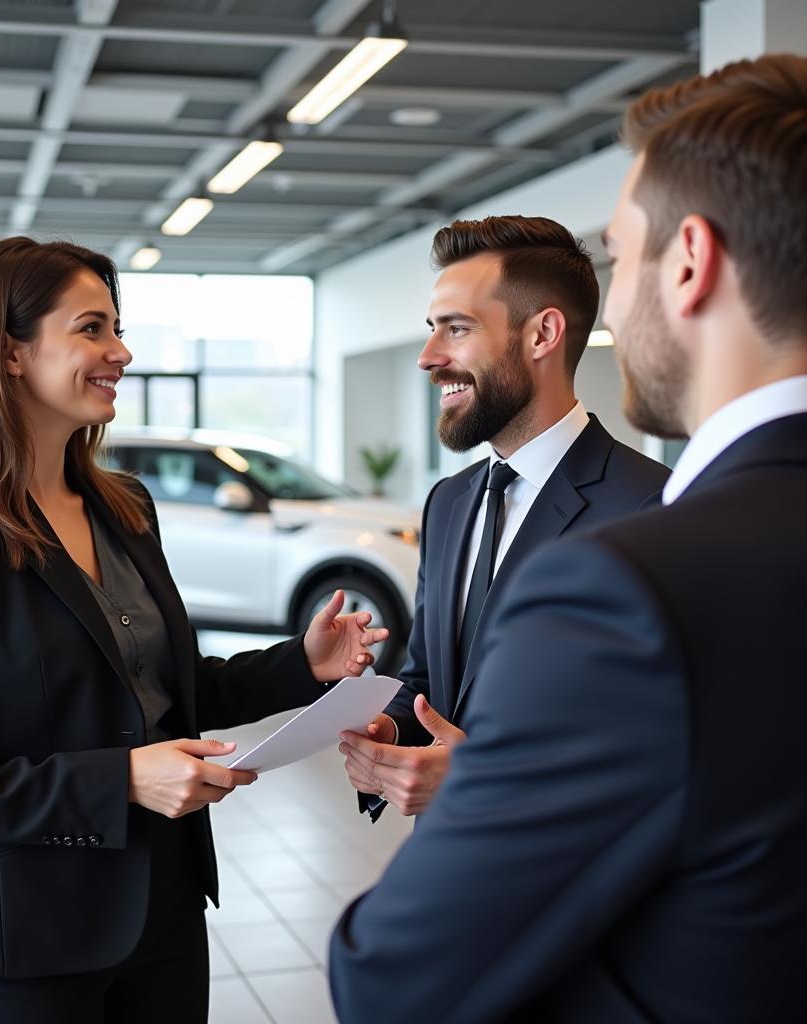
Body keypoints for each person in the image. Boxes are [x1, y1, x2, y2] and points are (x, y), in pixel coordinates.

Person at [329, 52, 807, 1023]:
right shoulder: (457, 504)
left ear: (687, 262)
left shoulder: (637, 572)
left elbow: (391, 978)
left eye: (621, 253)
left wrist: (483, 790)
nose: (614, 297)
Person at [0, 237, 387, 1024]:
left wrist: (301, 666)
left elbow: (158, 691)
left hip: (166, 918)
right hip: (26, 948)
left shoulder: (124, 506)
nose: (122, 352)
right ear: (11, 353)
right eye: (92, 329)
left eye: (118, 328)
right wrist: (123, 781)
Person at [341, 215, 667, 819]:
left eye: (456, 329)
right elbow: (430, 679)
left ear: (542, 334)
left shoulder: (653, 510)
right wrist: (391, 732)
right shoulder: (449, 503)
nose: (428, 357)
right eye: (432, 330)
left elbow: (671, 746)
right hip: (449, 862)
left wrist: (484, 778)